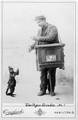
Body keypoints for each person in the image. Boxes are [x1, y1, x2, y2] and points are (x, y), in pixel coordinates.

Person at [29, 15, 59, 96]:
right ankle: (42, 90)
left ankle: (51, 90)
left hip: (52, 53)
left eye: (39, 22)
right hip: (42, 55)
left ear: (44, 20)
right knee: (43, 72)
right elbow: (37, 42)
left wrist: (37, 38)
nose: (38, 24)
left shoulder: (53, 28)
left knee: (51, 72)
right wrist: (32, 46)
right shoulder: (39, 30)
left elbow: (51, 38)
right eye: (37, 22)